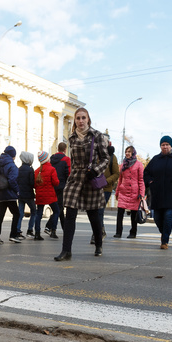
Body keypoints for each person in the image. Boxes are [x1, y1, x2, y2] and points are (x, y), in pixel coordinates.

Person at [54, 107, 109, 261]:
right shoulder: (71, 138)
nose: (80, 121)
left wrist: (96, 170)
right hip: (75, 178)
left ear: (88, 119)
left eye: (83, 118)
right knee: (70, 214)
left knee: (93, 215)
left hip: (90, 178)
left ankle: (98, 243)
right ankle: (66, 251)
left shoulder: (97, 136)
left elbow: (105, 159)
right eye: (78, 118)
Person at [143, 136, 172, 250]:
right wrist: (150, 181)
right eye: (163, 145)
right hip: (157, 194)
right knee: (157, 218)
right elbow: (146, 173)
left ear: (171, 146)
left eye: (167, 144)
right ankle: (164, 233)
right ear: (160, 146)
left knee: (168, 217)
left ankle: (165, 241)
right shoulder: (155, 159)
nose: (165, 147)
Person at [0, 145, 21, 244]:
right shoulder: (12, 166)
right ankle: (13, 235)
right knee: (16, 214)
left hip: (0, 195)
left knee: (0, 215)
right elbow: (12, 180)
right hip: (10, 195)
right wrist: (17, 190)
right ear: (13, 155)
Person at [113, 146, 145, 239]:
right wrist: (117, 192)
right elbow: (120, 179)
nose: (127, 153)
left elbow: (141, 180)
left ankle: (133, 232)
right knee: (120, 213)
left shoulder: (139, 165)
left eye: (129, 152)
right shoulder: (123, 164)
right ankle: (118, 232)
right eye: (126, 151)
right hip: (123, 191)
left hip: (134, 193)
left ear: (133, 153)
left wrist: (141, 193)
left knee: (134, 214)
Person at [44, 142, 71, 239]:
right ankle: (50, 228)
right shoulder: (66, 159)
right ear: (65, 149)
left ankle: (65, 229)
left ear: (57, 148)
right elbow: (69, 174)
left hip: (52, 186)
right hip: (62, 187)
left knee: (58, 208)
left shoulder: (52, 159)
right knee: (59, 209)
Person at [94, 143, 119, 244]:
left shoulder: (112, 157)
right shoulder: (94, 155)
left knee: (99, 211)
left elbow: (116, 173)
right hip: (94, 187)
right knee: (95, 211)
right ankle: (101, 231)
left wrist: (105, 181)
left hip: (106, 188)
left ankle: (97, 234)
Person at [33, 150, 60, 240]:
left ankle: (37, 233)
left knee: (39, 214)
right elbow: (56, 182)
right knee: (56, 211)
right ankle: (53, 230)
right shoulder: (52, 169)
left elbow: (34, 184)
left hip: (40, 195)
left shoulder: (37, 171)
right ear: (47, 159)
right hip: (50, 195)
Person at [15, 151, 37, 238]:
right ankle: (30, 230)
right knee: (34, 211)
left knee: (20, 213)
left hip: (20, 195)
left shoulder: (18, 169)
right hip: (28, 194)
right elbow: (32, 183)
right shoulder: (30, 170)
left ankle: (17, 230)